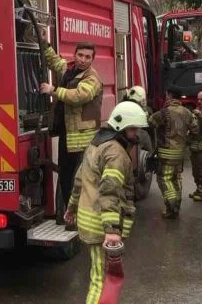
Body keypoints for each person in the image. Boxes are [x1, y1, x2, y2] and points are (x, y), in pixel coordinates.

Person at [65, 101, 147, 304]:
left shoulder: (96, 144)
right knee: (100, 282)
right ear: (121, 126)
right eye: (134, 129)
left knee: (98, 276)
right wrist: (111, 231)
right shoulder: (116, 153)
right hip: (101, 226)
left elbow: (78, 179)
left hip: (90, 222)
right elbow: (110, 192)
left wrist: (71, 208)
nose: (137, 134)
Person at [40, 41, 103, 229]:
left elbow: (79, 96)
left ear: (92, 59)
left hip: (84, 140)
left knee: (81, 182)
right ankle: (66, 216)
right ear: (75, 55)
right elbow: (56, 62)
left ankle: (79, 218)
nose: (83, 60)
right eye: (80, 55)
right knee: (66, 178)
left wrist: (54, 90)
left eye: (87, 57)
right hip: (68, 137)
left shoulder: (92, 78)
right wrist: (44, 43)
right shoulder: (69, 69)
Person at [148, 85, 198, 218]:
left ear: (169, 96)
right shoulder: (187, 112)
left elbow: (151, 121)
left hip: (166, 153)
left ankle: (171, 205)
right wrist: (185, 141)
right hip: (180, 153)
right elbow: (195, 129)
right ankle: (176, 206)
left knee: (164, 179)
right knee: (176, 179)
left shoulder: (165, 112)